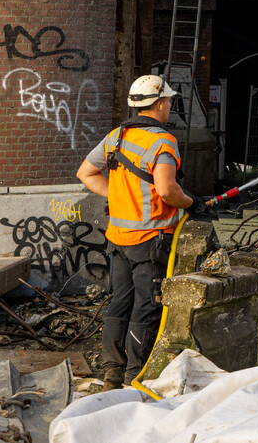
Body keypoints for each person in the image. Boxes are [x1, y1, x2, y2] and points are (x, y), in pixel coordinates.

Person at [75, 74, 193, 389]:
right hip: (149, 240)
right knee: (146, 305)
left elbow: (86, 173)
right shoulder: (163, 141)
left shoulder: (116, 137)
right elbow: (167, 190)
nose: (170, 105)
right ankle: (134, 379)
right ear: (159, 104)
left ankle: (112, 374)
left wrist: (117, 197)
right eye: (168, 101)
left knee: (119, 303)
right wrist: (191, 203)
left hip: (117, 239)